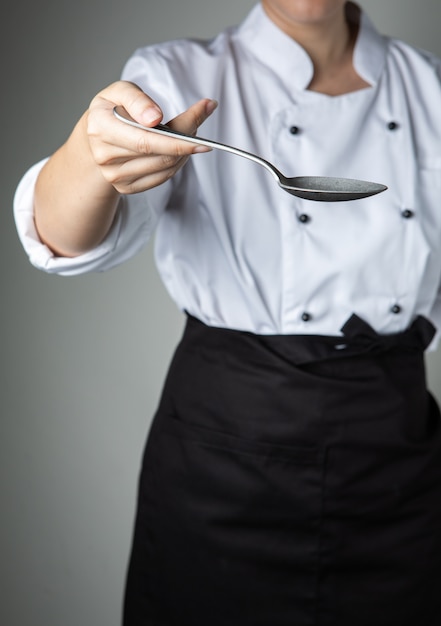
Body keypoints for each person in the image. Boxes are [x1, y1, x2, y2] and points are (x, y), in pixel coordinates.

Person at [13, 1, 441, 624]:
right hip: (226, 462)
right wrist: (92, 154)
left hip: (394, 461)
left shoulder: (429, 86)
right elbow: (62, 239)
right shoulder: (177, 76)